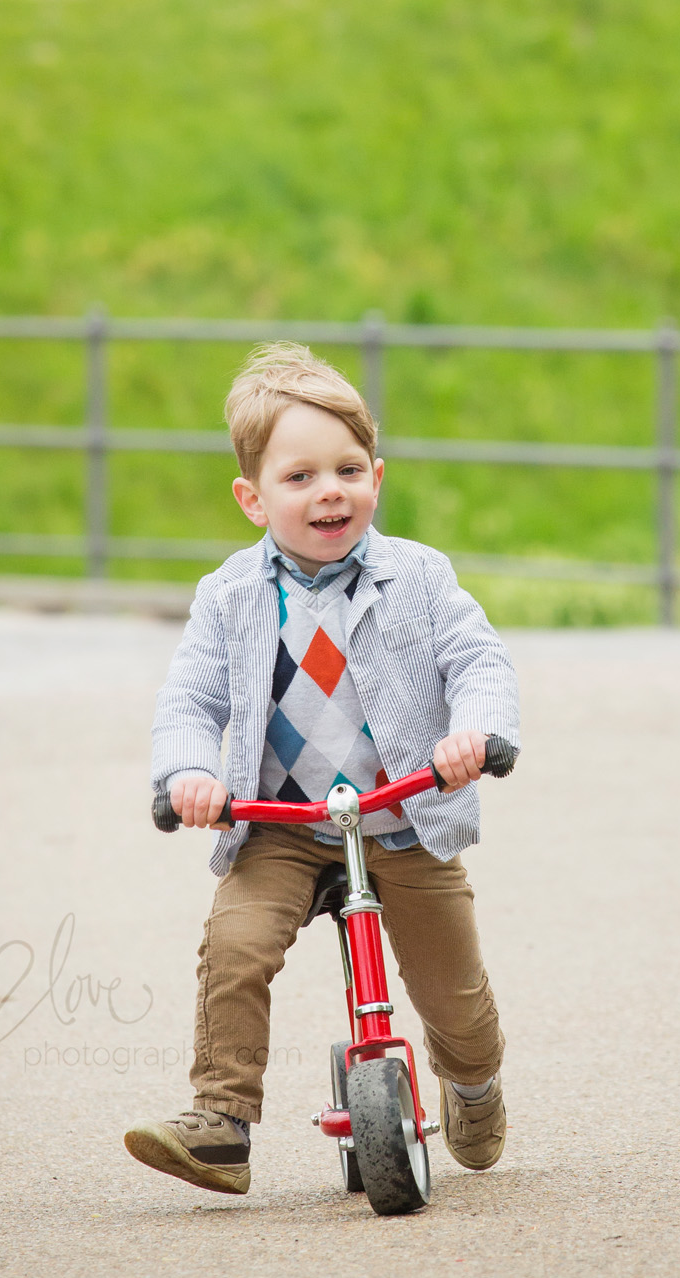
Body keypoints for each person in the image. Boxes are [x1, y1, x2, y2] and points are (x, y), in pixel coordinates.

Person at [124, 342, 520, 1196]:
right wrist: (188, 777)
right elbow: (189, 701)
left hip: (403, 818)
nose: (328, 491)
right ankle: (221, 1119)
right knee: (234, 946)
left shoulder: (418, 577)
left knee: (454, 996)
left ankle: (475, 1083)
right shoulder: (229, 596)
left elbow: (478, 660)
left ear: (376, 474)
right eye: (299, 478)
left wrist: (474, 736)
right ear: (252, 500)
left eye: (347, 469)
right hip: (284, 825)